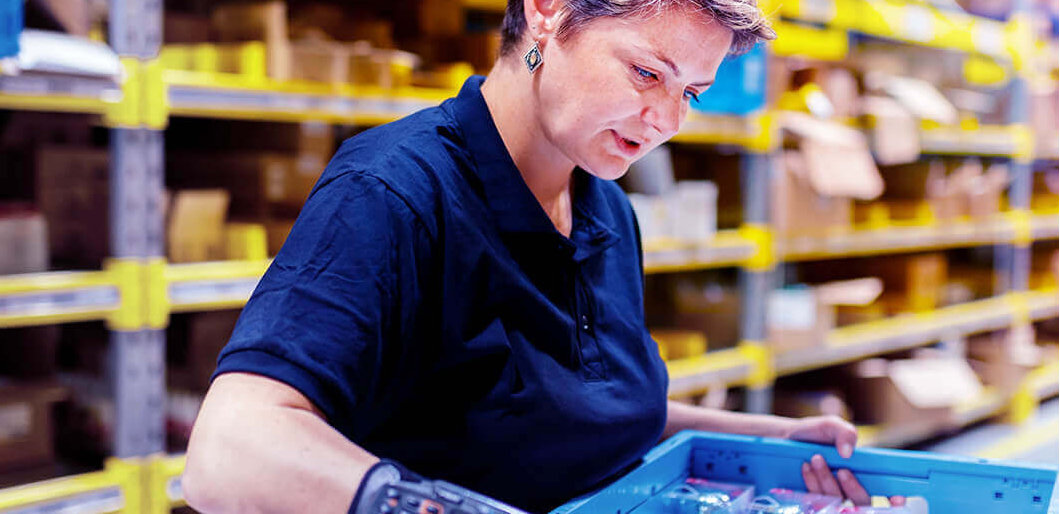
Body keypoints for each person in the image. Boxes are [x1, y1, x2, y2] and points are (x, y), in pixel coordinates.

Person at [182, 0, 905, 511]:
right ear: (548, 12)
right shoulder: (395, 193)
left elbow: (585, 413)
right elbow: (229, 449)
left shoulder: (606, 209)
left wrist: (774, 439)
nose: (665, 122)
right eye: (647, 74)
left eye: (692, 92)